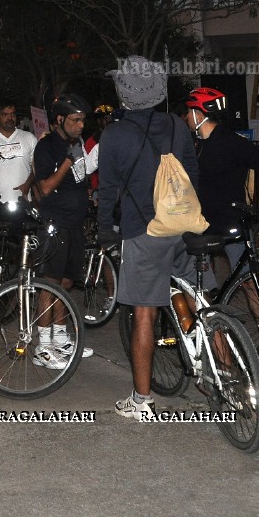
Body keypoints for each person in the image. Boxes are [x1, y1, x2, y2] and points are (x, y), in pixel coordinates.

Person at [97, 56, 199, 420]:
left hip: (144, 233)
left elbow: (107, 190)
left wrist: (104, 228)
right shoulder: (176, 125)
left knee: (144, 313)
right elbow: (192, 174)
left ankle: (142, 401)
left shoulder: (114, 134)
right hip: (185, 227)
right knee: (200, 301)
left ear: (124, 92)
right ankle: (229, 369)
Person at [184, 87, 259, 367]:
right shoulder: (195, 145)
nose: (186, 118)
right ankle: (213, 340)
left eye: (189, 113)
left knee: (249, 282)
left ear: (198, 114)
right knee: (202, 285)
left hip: (232, 224)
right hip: (202, 226)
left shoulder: (230, 142)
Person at [31, 93, 96, 367]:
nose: (81, 126)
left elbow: (79, 179)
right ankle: (43, 346)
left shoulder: (77, 143)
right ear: (60, 119)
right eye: (75, 120)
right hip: (53, 223)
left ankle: (60, 338)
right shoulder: (47, 147)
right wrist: (68, 160)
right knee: (50, 282)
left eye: (83, 120)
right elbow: (44, 188)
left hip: (74, 223)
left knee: (67, 282)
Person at [0, 102, 37, 202]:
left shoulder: (29, 138)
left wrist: (28, 184)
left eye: (13, 114)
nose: (10, 118)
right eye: (5, 114)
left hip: (23, 202)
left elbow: (37, 168)